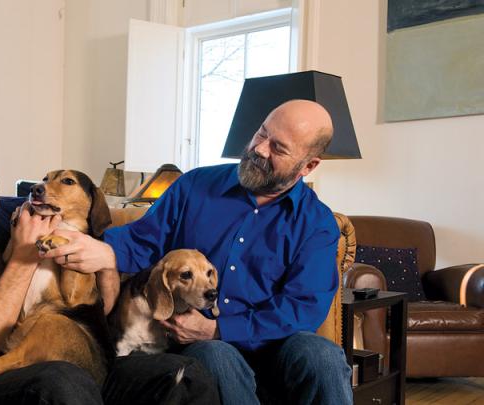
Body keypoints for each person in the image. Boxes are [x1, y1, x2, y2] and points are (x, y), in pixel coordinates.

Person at [0, 105, 220, 405]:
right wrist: (23, 258)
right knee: (61, 381)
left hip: (77, 358)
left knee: (186, 375)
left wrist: (106, 261)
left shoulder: (22, 211)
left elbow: (94, 282)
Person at [42, 100, 353, 405]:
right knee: (214, 354)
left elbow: (303, 308)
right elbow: (145, 240)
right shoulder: (195, 185)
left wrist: (219, 329)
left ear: (308, 166)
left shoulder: (317, 224)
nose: (259, 148)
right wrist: (95, 246)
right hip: (197, 341)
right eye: (262, 133)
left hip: (276, 343)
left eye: (278, 148)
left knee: (322, 356)